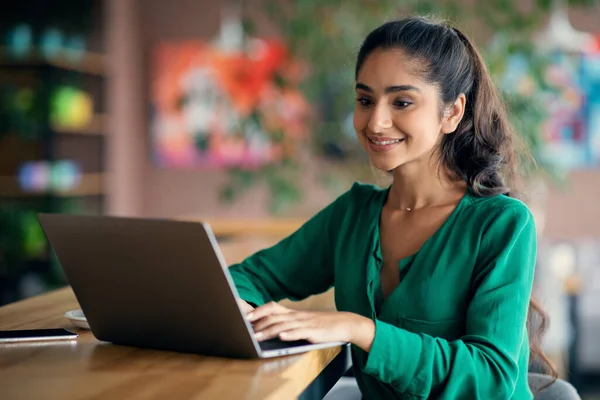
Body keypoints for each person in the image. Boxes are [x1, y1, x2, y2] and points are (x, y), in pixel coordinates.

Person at [229, 16, 556, 399]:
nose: (376, 122)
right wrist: (237, 308)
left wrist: (359, 329)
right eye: (365, 100)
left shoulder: (502, 224)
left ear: (452, 113)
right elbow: (245, 279)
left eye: (402, 102)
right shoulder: (352, 215)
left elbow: (491, 377)